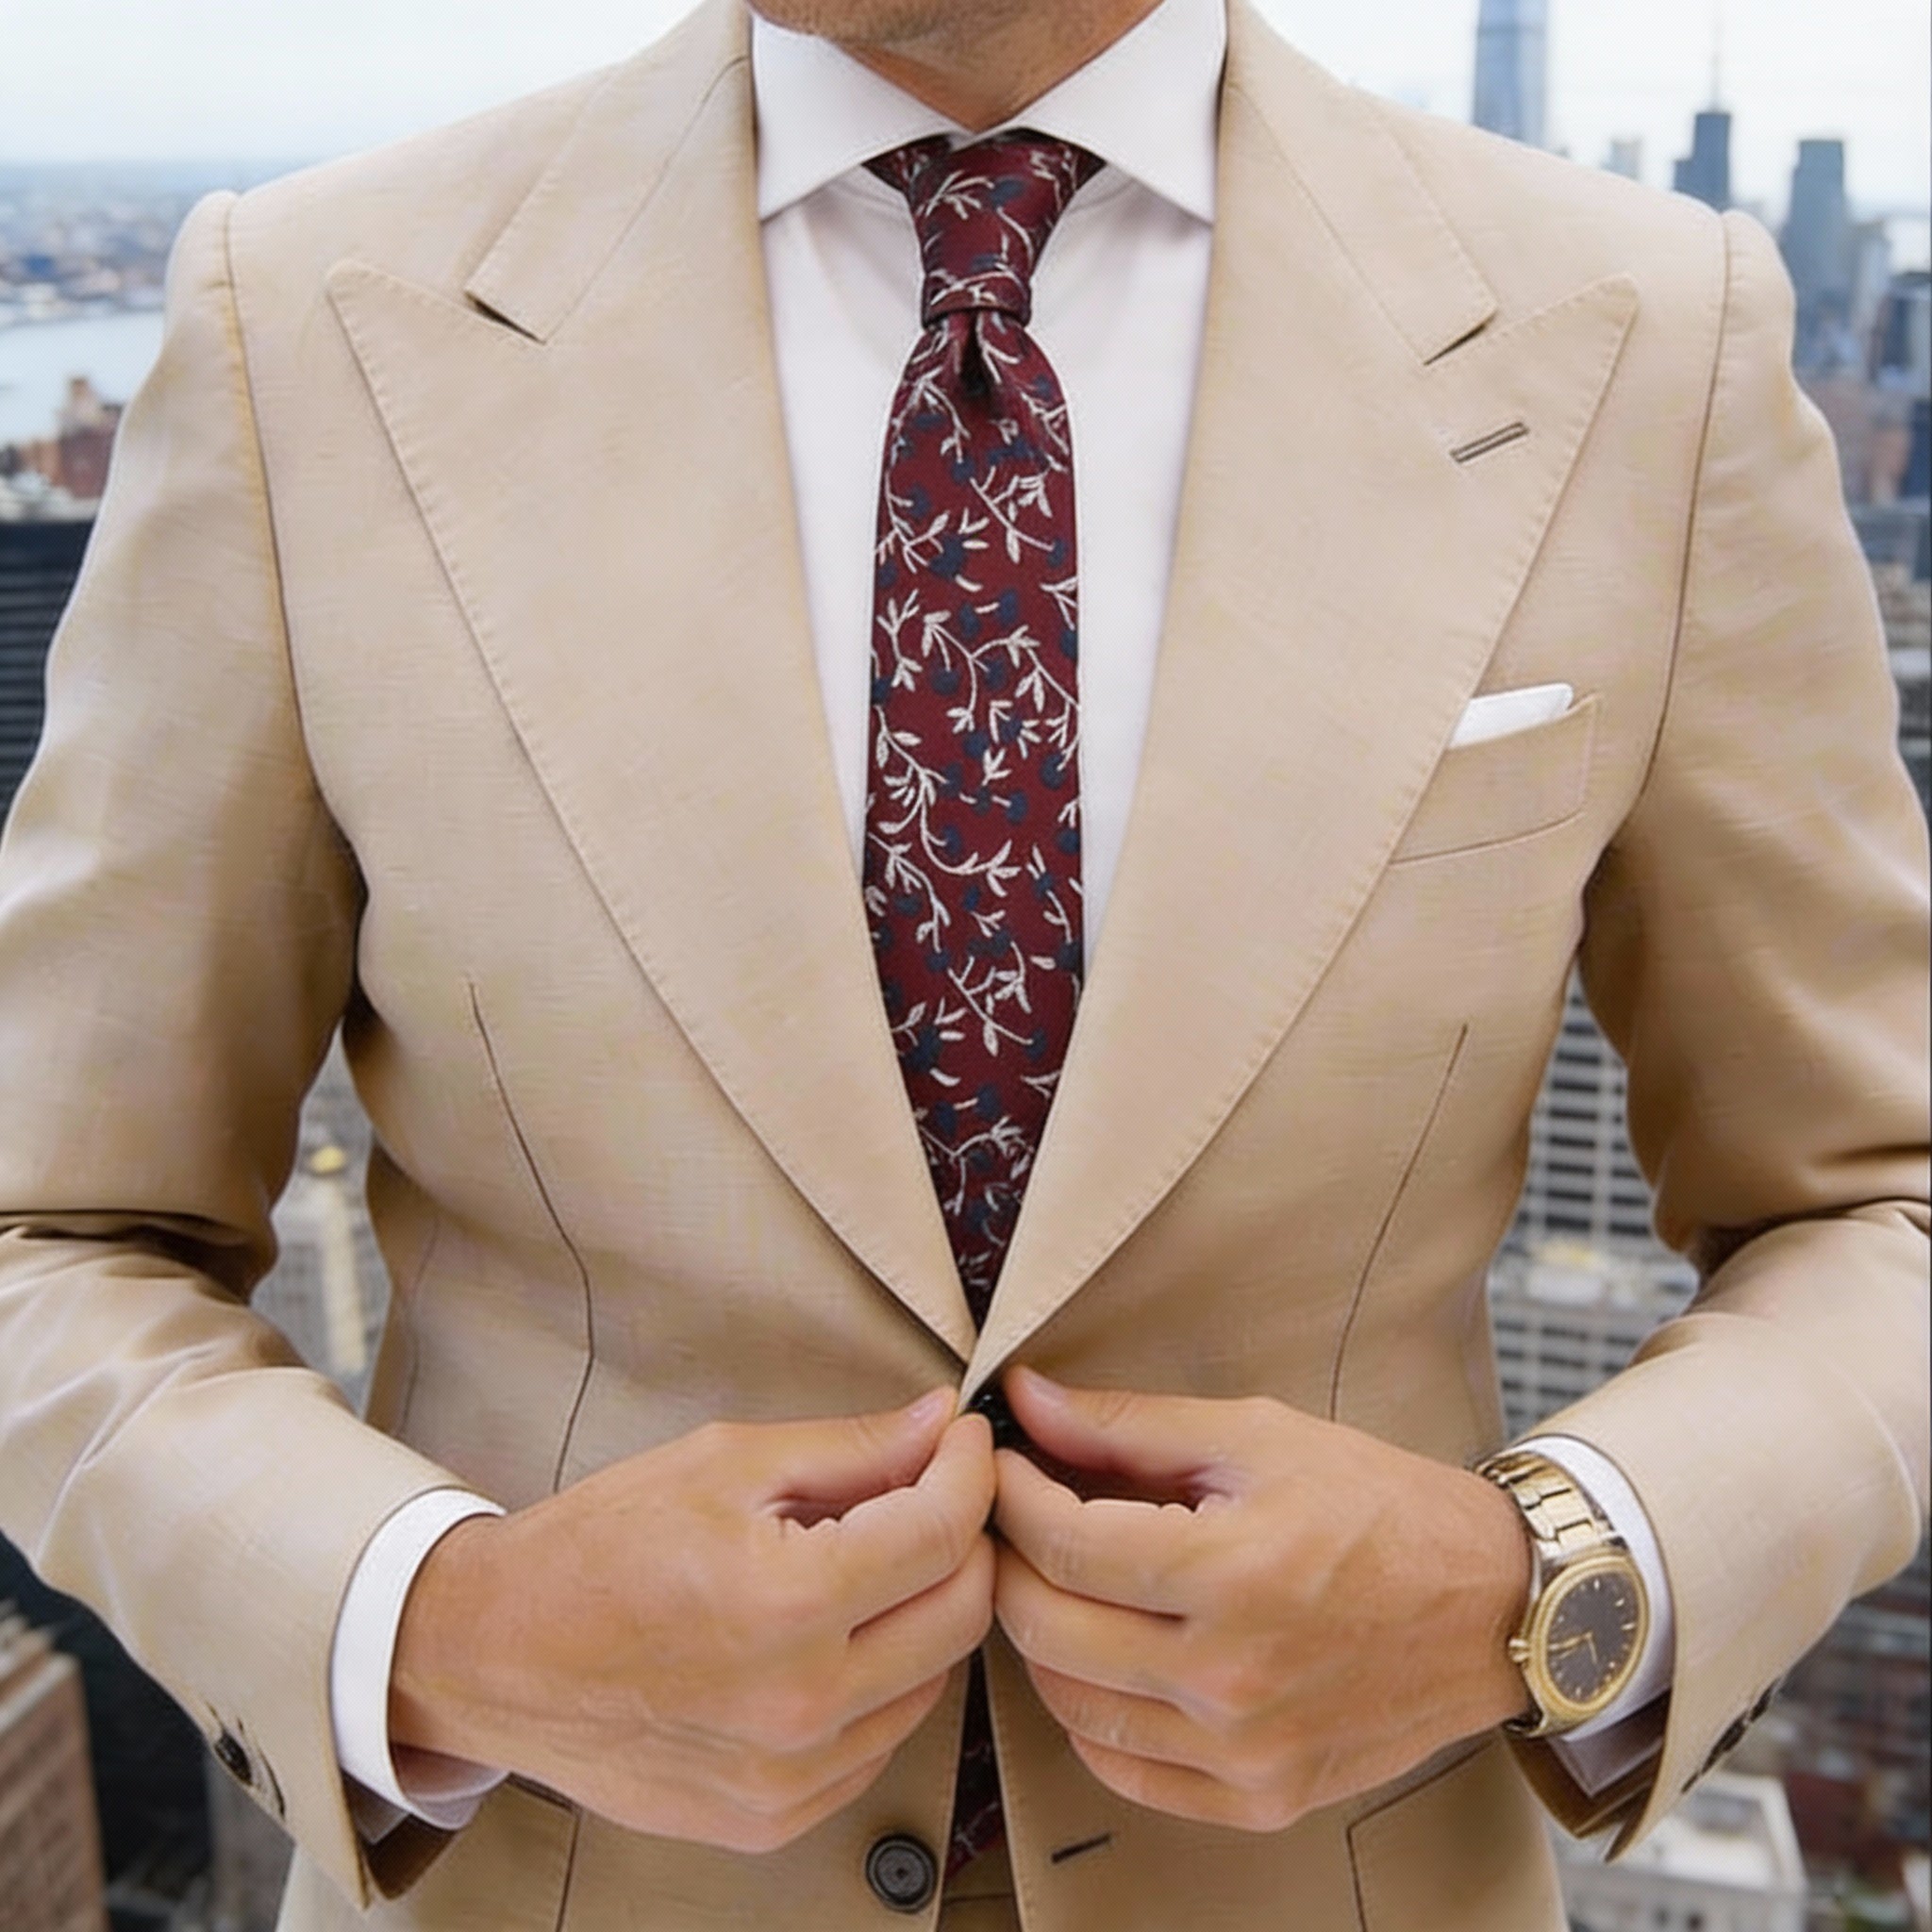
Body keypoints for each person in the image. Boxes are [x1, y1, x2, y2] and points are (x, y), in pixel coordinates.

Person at [0, 0, 1924, 1924]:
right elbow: (49, 1231)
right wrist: (446, 1625)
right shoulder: (309, 321)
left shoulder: (1643, 339)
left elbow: (1880, 1202)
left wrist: (1540, 1586)